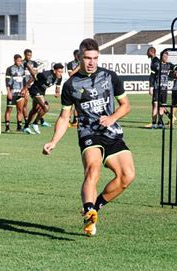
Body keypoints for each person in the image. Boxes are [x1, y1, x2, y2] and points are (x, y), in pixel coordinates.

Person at [42, 38, 135, 236]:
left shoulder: (110, 77)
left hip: (111, 132)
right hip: (88, 133)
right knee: (93, 169)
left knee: (127, 176)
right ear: (79, 57)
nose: (91, 62)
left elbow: (125, 105)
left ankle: (93, 209)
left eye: (95, 58)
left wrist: (112, 118)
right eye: (87, 58)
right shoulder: (71, 85)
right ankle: (89, 210)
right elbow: (64, 116)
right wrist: (53, 141)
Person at [22, 63, 64, 135]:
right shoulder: (45, 74)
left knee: (35, 109)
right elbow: (33, 77)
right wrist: (25, 88)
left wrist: (57, 92)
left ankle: (26, 127)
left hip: (42, 92)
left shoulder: (59, 77)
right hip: (35, 90)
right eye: (59, 72)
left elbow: (58, 87)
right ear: (54, 71)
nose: (60, 74)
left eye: (61, 72)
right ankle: (35, 123)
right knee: (46, 107)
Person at [23, 48, 51, 128]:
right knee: (25, 104)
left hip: (33, 85)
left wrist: (30, 82)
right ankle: (27, 121)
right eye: (28, 55)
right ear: (24, 55)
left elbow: (34, 74)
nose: (29, 57)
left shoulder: (34, 63)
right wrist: (25, 86)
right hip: (24, 85)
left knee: (39, 105)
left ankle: (40, 120)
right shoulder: (22, 63)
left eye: (30, 55)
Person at [4, 54, 27, 132]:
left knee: (20, 110)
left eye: (20, 61)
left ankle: (19, 126)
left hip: (20, 93)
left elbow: (24, 82)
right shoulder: (9, 69)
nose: (19, 62)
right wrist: (8, 92)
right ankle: (7, 127)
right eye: (18, 61)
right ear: (14, 60)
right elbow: (7, 82)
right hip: (12, 92)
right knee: (9, 110)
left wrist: (25, 90)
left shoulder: (23, 69)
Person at [66, 49, 80, 127]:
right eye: (77, 55)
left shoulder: (83, 63)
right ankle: (67, 120)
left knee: (77, 103)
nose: (79, 57)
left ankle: (75, 120)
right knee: (70, 104)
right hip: (72, 85)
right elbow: (71, 74)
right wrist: (78, 67)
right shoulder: (70, 64)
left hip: (80, 86)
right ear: (74, 55)